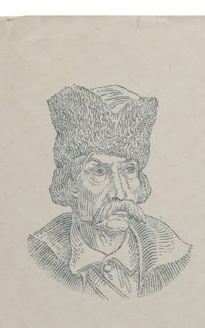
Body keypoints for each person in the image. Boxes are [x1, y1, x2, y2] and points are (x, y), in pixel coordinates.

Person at [28, 85, 192, 298]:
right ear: (72, 183)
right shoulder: (43, 256)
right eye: (99, 171)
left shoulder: (172, 257)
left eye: (129, 170)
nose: (120, 193)